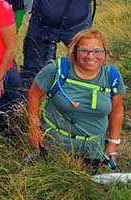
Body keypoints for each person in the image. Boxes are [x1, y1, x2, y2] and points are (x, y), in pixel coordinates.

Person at [27, 29, 125, 173]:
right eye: (84, 50)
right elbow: (34, 95)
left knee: (82, 188)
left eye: (98, 51)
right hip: (54, 144)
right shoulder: (56, 70)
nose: (91, 56)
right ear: (74, 51)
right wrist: (33, 128)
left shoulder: (112, 77)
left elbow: (116, 111)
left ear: (105, 53)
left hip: (91, 149)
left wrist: (112, 144)